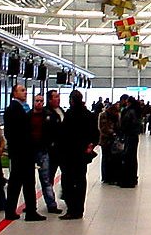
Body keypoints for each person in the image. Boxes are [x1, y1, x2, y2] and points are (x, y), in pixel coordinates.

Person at [4, 84, 45, 221]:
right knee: (23, 182)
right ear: (14, 93)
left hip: (21, 152)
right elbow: (15, 133)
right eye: (22, 90)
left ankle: (19, 211)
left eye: (25, 91)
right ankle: (27, 212)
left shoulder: (21, 109)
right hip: (21, 152)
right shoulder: (14, 109)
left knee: (22, 182)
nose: (25, 93)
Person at [58, 90, 99, 220]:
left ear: (71, 100)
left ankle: (71, 208)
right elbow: (95, 134)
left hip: (70, 154)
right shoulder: (88, 114)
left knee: (68, 181)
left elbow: (63, 134)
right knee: (81, 180)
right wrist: (90, 146)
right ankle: (79, 209)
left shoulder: (70, 114)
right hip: (82, 154)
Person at [30, 93, 61, 214]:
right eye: (37, 100)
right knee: (29, 180)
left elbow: (54, 131)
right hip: (31, 150)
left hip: (43, 150)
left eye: (41, 101)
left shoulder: (49, 116)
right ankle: (31, 204)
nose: (39, 103)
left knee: (46, 179)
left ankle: (51, 204)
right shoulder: (28, 116)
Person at [44, 89, 64, 188]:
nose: (58, 99)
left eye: (58, 96)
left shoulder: (61, 111)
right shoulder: (46, 112)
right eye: (55, 97)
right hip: (52, 149)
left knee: (66, 171)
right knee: (50, 173)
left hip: (63, 148)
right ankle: (49, 196)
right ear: (50, 99)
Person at [118, 96, 140, 188]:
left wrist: (121, 132)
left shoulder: (128, 112)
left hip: (129, 136)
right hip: (134, 136)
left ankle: (127, 180)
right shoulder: (136, 111)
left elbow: (125, 125)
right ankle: (133, 178)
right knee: (133, 158)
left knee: (127, 157)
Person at [98, 102, 121, 185]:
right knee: (106, 158)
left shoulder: (117, 115)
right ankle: (106, 177)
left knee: (110, 158)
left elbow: (118, 126)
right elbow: (103, 127)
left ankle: (110, 176)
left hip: (113, 139)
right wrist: (112, 133)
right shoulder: (104, 115)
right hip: (105, 140)